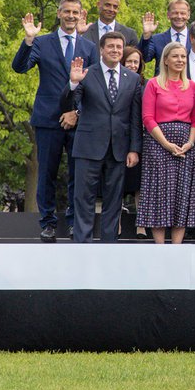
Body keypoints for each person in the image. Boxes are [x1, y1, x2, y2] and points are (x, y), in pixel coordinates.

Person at [12, 0, 99, 241]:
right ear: (59, 14)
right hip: (48, 119)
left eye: (75, 12)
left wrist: (78, 113)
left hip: (78, 121)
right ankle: (47, 222)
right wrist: (28, 40)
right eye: (67, 12)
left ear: (81, 15)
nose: (71, 16)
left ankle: (74, 222)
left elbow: (92, 87)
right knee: (47, 174)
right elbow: (19, 67)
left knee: (77, 174)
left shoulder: (90, 48)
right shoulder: (42, 42)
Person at [61, 32, 143, 243]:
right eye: (111, 47)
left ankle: (108, 246)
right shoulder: (86, 74)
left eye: (118, 47)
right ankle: (83, 244)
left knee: (114, 200)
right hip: (88, 147)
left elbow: (135, 118)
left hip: (119, 149)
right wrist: (72, 83)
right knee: (84, 198)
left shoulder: (132, 78)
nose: (115, 50)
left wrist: (134, 148)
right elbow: (67, 106)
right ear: (101, 49)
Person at [139, 41, 195, 243]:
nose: (180, 60)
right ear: (165, 60)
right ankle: (160, 247)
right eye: (175, 56)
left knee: (182, 195)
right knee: (159, 194)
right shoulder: (153, 84)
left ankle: (176, 247)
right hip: (158, 143)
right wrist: (166, 144)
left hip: (186, 144)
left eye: (183, 57)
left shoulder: (192, 86)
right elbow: (148, 117)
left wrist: (190, 143)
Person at [120, 45, 145, 230]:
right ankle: (117, 224)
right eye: (129, 61)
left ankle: (141, 226)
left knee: (140, 183)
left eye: (136, 62)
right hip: (119, 137)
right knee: (117, 181)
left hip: (139, 137)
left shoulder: (146, 84)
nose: (133, 65)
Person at [141, 0, 192, 73]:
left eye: (183, 13)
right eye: (175, 13)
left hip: (189, 83)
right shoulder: (157, 39)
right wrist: (146, 36)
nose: (179, 16)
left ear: (188, 15)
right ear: (168, 15)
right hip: (162, 83)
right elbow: (144, 58)